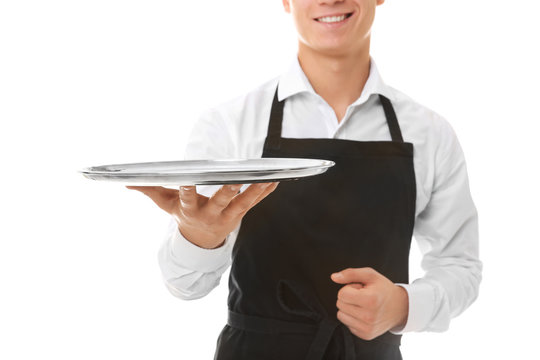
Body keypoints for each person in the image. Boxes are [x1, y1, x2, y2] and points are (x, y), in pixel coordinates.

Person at [127, 0, 482, 358]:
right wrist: (200, 237)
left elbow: (460, 267)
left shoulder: (430, 134)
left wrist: (403, 306)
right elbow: (184, 285)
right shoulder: (230, 125)